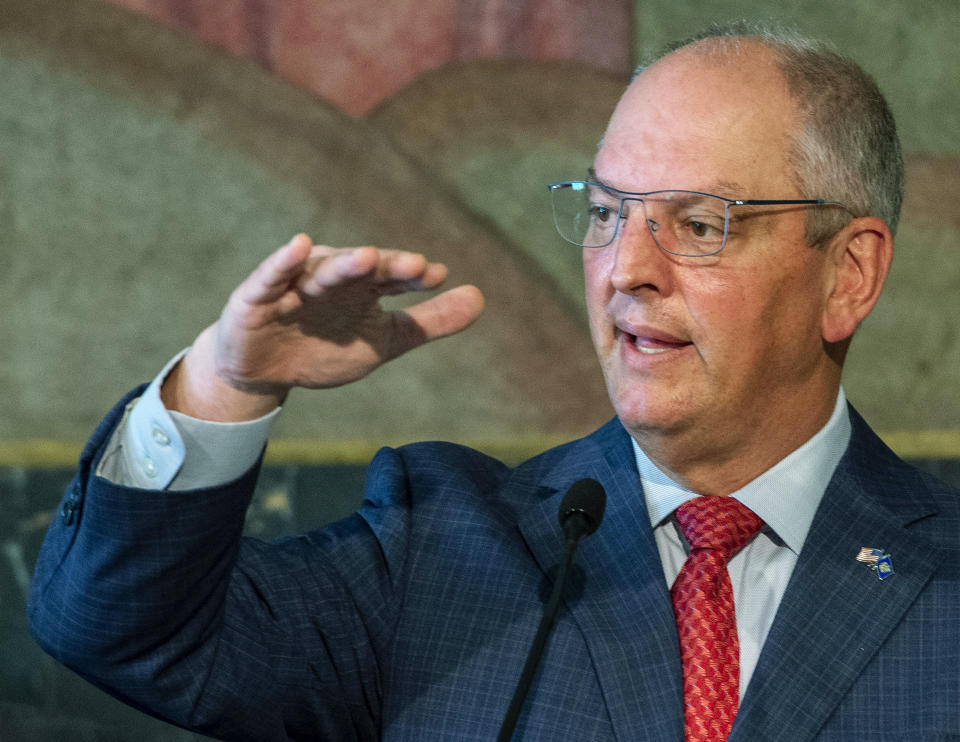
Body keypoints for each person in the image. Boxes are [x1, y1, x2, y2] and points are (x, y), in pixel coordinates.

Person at [28, 24, 959, 742]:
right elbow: (121, 634)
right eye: (605, 212)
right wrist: (225, 385)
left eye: (701, 223)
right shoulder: (441, 550)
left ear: (848, 275)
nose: (624, 268)